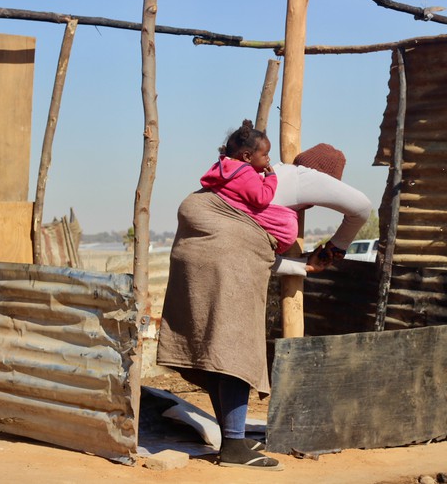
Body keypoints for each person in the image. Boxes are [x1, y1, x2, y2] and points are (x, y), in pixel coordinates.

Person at [156, 130, 371, 471]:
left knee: (216, 344)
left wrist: (303, 266)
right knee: (238, 345)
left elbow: (254, 253)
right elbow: (361, 207)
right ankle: (234, 449)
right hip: (220, 246)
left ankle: (233, 439)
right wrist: (337, 248)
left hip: (194, 242)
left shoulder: (249, 184)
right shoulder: (305, 177)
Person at [199, 119, 298, 254]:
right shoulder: (245, 173)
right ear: (247, 156)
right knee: (287, 223)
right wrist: (271, 179)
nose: (268, 159)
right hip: (245, 218)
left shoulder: (223, 167)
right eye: (265, 154)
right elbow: (262, 198)